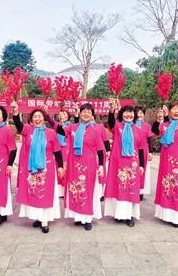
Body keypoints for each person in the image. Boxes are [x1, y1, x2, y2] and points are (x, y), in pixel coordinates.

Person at [10, 101, 64, 234]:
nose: (38, 118)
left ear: (44, 119)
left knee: (45, 194)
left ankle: (45, 220)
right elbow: (18, 125)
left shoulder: (51, 132)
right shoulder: (28, 130)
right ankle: (37, 218)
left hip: (47, 169)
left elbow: (57, 151)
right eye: (35, 116)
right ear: (31, 119)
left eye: (40, 116)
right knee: (34, 192)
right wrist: (16, 113)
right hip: (32, 169)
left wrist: (61, 166)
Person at [58, 103, 105, 231]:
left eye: (89, 112)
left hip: (89, 164)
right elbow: (59, 131)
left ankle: (87, 218)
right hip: (73, 164)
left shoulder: (95, 130)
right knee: (75, 189)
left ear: (92, 115)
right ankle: (77, 217)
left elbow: (101, 150)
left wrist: (101, 165)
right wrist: (63, 118)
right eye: (84, 111)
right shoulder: (72, 127)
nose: (86, 114)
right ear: (79, 112)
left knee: (87, 190)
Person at [104, 99, 145, 227]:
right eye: (126, 112)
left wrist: (142, 165)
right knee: (118, 188)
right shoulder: (117, 127)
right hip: (118, 162)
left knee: (130, 188)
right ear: (121, 114)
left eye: (131, 113)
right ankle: (118, 214)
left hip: (132, 164)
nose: (129, 115)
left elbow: (142, 148)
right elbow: (111, 122)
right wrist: (112, 110)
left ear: (134, 115)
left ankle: (129, 216)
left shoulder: (138, 130)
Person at [43, 106, 72, 198]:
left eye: (64, 114)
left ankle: (66, 190)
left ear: (68, 116)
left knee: (66, 169)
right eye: (60, 114)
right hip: (57, 150)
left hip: (67, 149)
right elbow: (50, 121)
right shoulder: (56, 124)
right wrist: (46, 113)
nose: (61, 115)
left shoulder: (71, 126)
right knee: (57, 168)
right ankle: (59, 191)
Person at [134, 105, 154, 200]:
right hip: (133, 150)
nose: (139, 115)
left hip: (144, 150)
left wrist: (150, 152)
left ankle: (140, 192)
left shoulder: (147, 126)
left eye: (141, 113)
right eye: (137, 113)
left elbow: (150, 139)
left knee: (142, 170)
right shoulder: (131, 125)